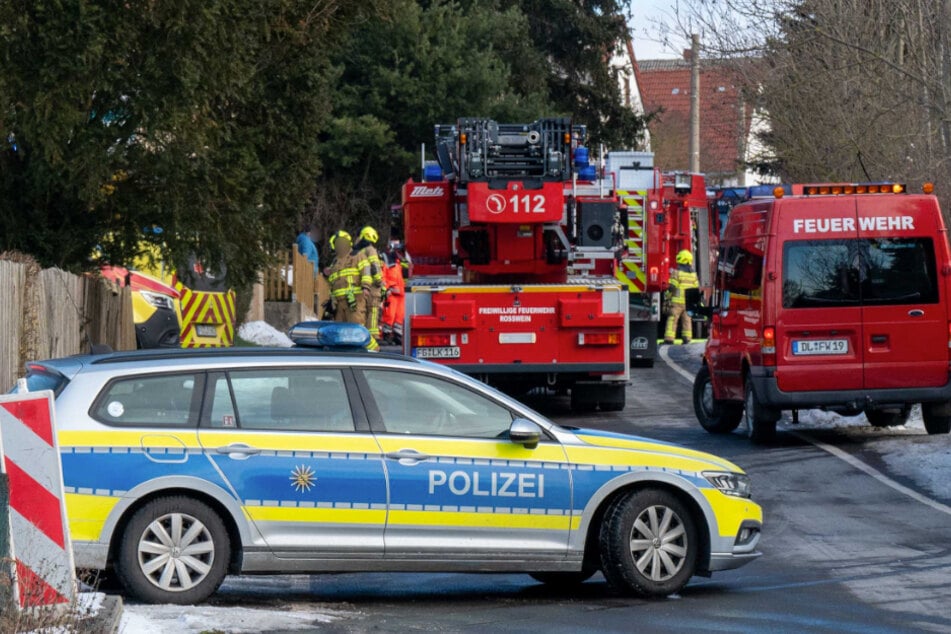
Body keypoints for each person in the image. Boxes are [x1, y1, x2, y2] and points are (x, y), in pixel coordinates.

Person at [353, 225, 385, 343]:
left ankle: (364, 336)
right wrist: (379, 282)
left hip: (362, 286)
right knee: (373, 310)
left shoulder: (359, 251)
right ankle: (372, 338)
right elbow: (374, 266)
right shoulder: (370, 250)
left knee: (364, 312)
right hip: (372, 287)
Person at [663, 249, 699, 345]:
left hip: (677, 302)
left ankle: (669, 339)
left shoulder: (676, 273)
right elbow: (696, 288)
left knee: (672, 319)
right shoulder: (693, 275)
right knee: (687, 321)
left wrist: (667, 297)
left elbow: (672, 287)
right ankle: (687, 338)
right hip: (688, 302)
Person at [380, 239, 406, 345]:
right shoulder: (387, 260)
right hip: (392, 293)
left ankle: (397, 335)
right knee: (389, 315)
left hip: (401, 293)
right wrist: (387, 289)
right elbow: (382, 276)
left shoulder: (399, 262)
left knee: (400, 316)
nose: (400, 252)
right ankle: (386, 334)